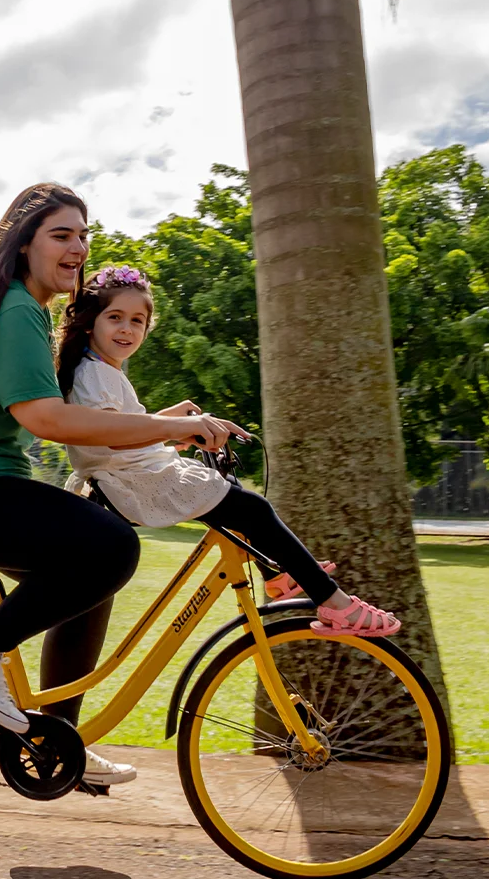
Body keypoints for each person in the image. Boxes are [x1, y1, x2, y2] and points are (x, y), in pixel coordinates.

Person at [0, 185, 239, 787]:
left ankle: (58, 741)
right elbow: (46, 419)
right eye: (61, 235)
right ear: (24, 244)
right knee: (111, 547)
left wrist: (161, 424)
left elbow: (81, 416)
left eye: (83, 236)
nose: (78, 248)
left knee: (90, 578)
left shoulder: (20, 308)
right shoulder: (18, 308)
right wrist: (169, 428)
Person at [56, 266, 402, 637]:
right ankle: (335, 603)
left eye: (137, 320)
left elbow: (124, 427)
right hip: (130, 481)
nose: (127, 329)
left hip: (133, 474)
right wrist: (176, 428)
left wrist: (175, 421)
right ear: (90, 323)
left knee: (238, 504)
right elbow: (113, 437)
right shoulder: (96, 373)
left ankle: (277, 574)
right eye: (115, 318)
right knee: (254, 509)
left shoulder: (100, 368)